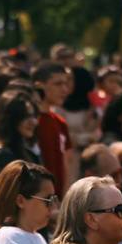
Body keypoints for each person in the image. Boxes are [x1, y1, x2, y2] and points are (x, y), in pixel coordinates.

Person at [33, 61, 73, 190]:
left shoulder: (60, 122)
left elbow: (66, 164)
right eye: (58, 84)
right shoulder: (30, 122)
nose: (64, 90)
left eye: (66, 84)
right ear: (39, 86)